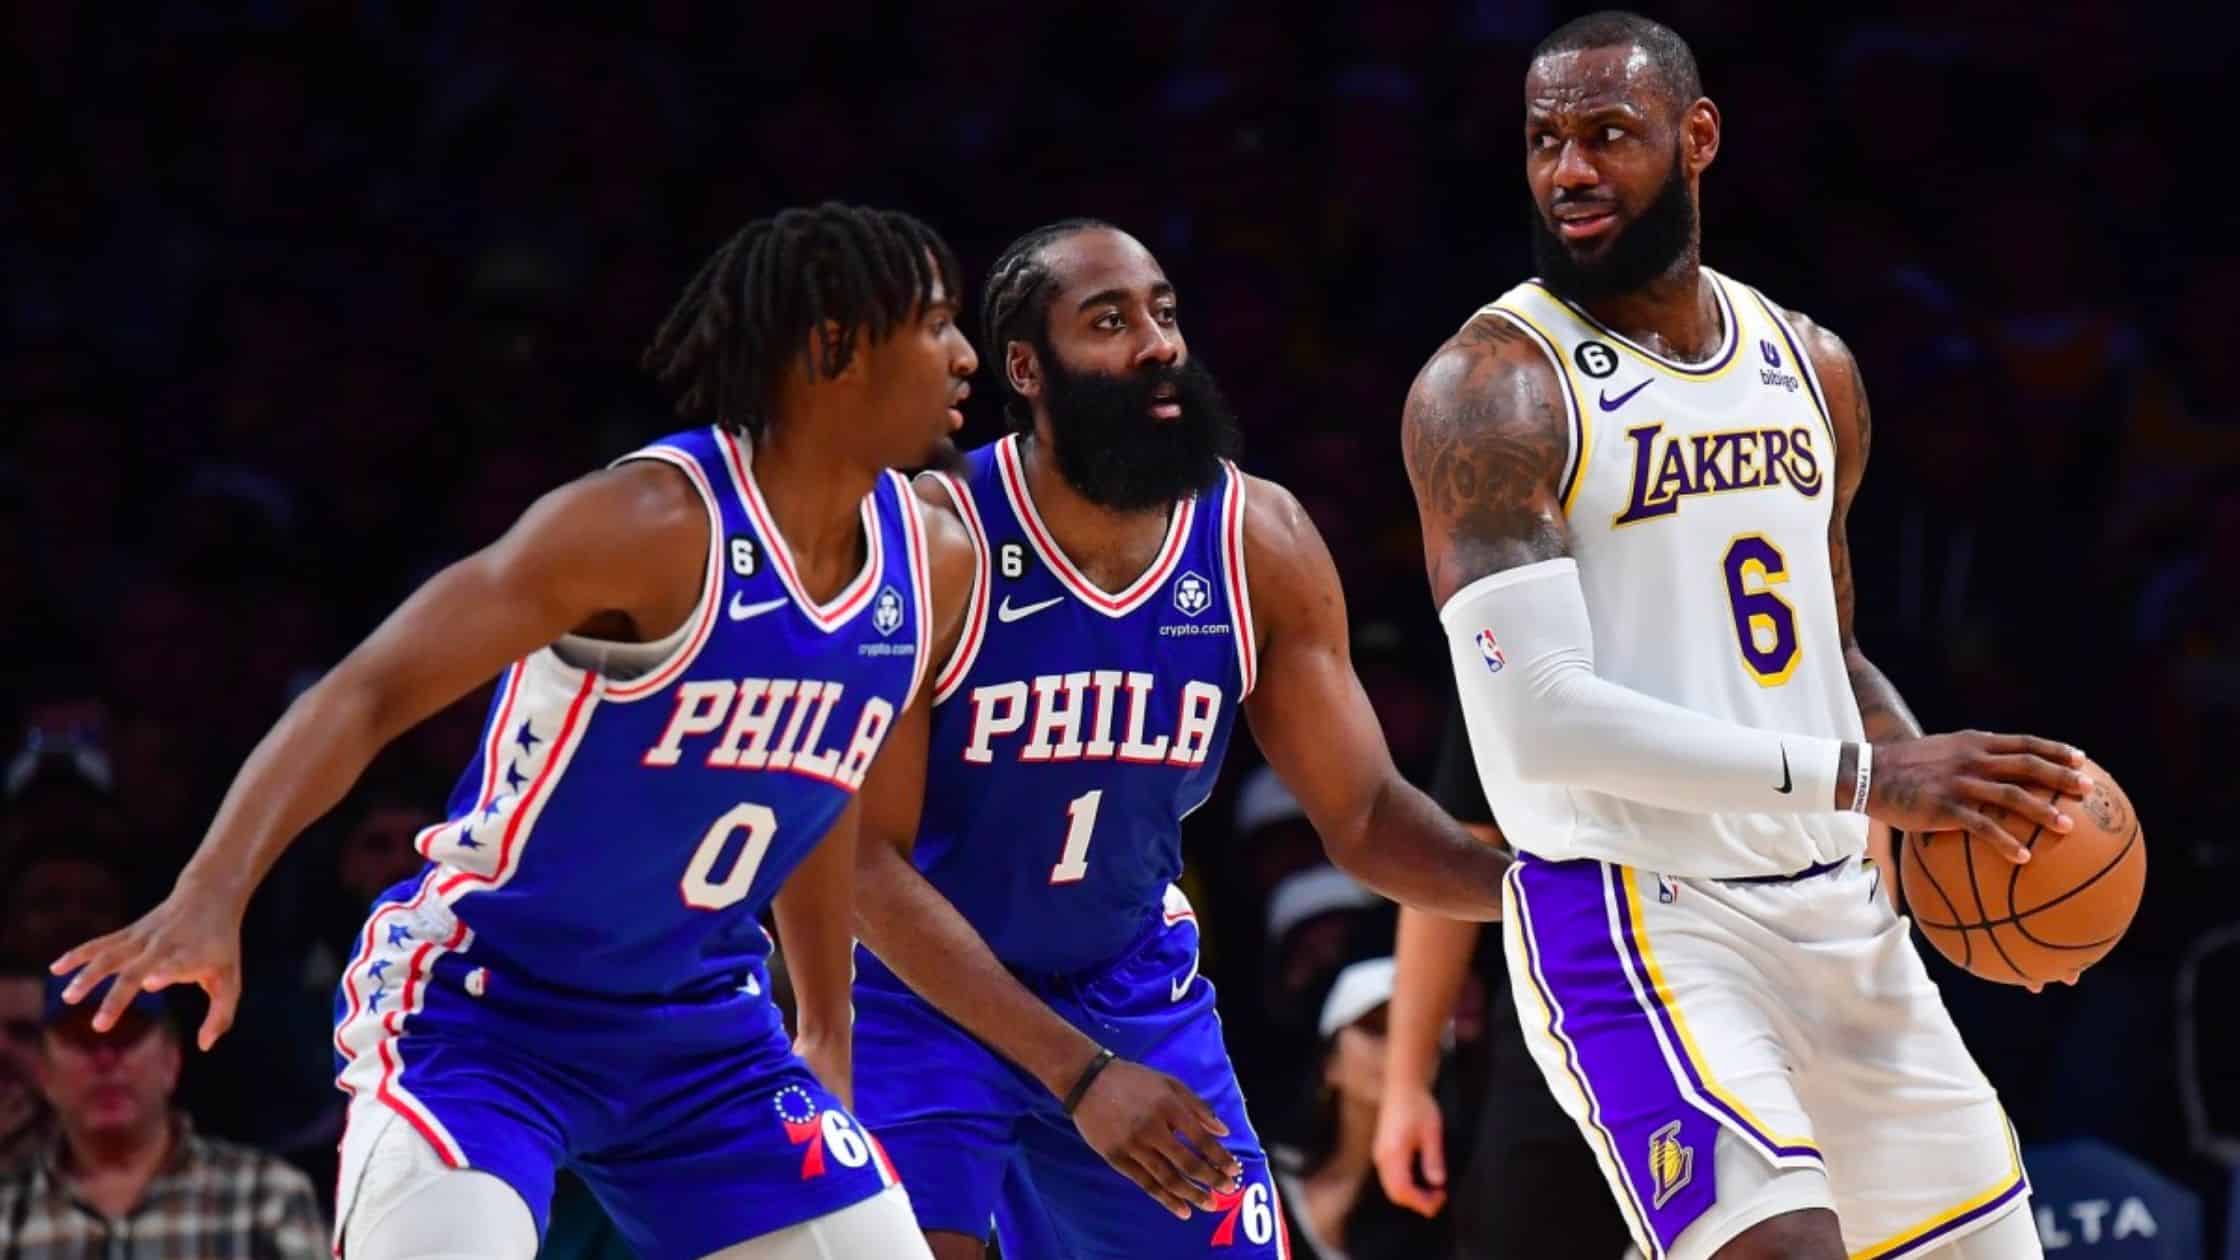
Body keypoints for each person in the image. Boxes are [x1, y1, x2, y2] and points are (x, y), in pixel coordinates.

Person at [48, 202, 980, 1260]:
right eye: (935, 323)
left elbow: (819, 780)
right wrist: (210, 892)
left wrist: (824, 1028)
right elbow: (367, 691)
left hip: (704, 1037)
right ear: (833, 348)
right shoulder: (645, 525)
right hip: (487, 1014)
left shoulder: (932, 562)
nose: (965, 355)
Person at [1399, 14, 2094, 1260]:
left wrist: (1970, 813)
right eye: (1544, 141)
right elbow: (1540, 724)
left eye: (1606, 134)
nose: (1569, 170)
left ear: (1697, 136)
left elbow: (1827, 654)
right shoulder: (1492, 387)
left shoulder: (1808, 364)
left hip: (1836, 910)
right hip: (1636, 914)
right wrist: (1873, 777)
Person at [840, 220, 1513, 1260]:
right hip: (925, 995)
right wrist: (1079, 1076)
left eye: (1162, 313)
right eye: (1108, 322)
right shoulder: (934, 540)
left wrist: (1541, 894)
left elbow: (1370, 816)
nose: (1157, 343)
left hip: (1125, 985)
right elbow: (860, 865)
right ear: (1025, 368)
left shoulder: (1255, 541)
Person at [1373, 700, 1631, 1260]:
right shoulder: (1512, 649)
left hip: (1753, 996)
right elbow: (1454, 846)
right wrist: (1406, 1083)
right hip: (1571, 1012)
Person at [0, 977, 325, 1259]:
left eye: (127, 1036)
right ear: (44, 1071)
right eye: (81, 1040)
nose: (106, 1060)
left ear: (172, 1059)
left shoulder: (266, 1197)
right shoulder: (7, 1213)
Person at [1270, 957, 1451, 1260]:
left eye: (1416, 1038)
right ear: (1330, 1062)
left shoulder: (1448, 1216)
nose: (1395, 1053)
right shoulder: (1256, 1181)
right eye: (1375, 1028)